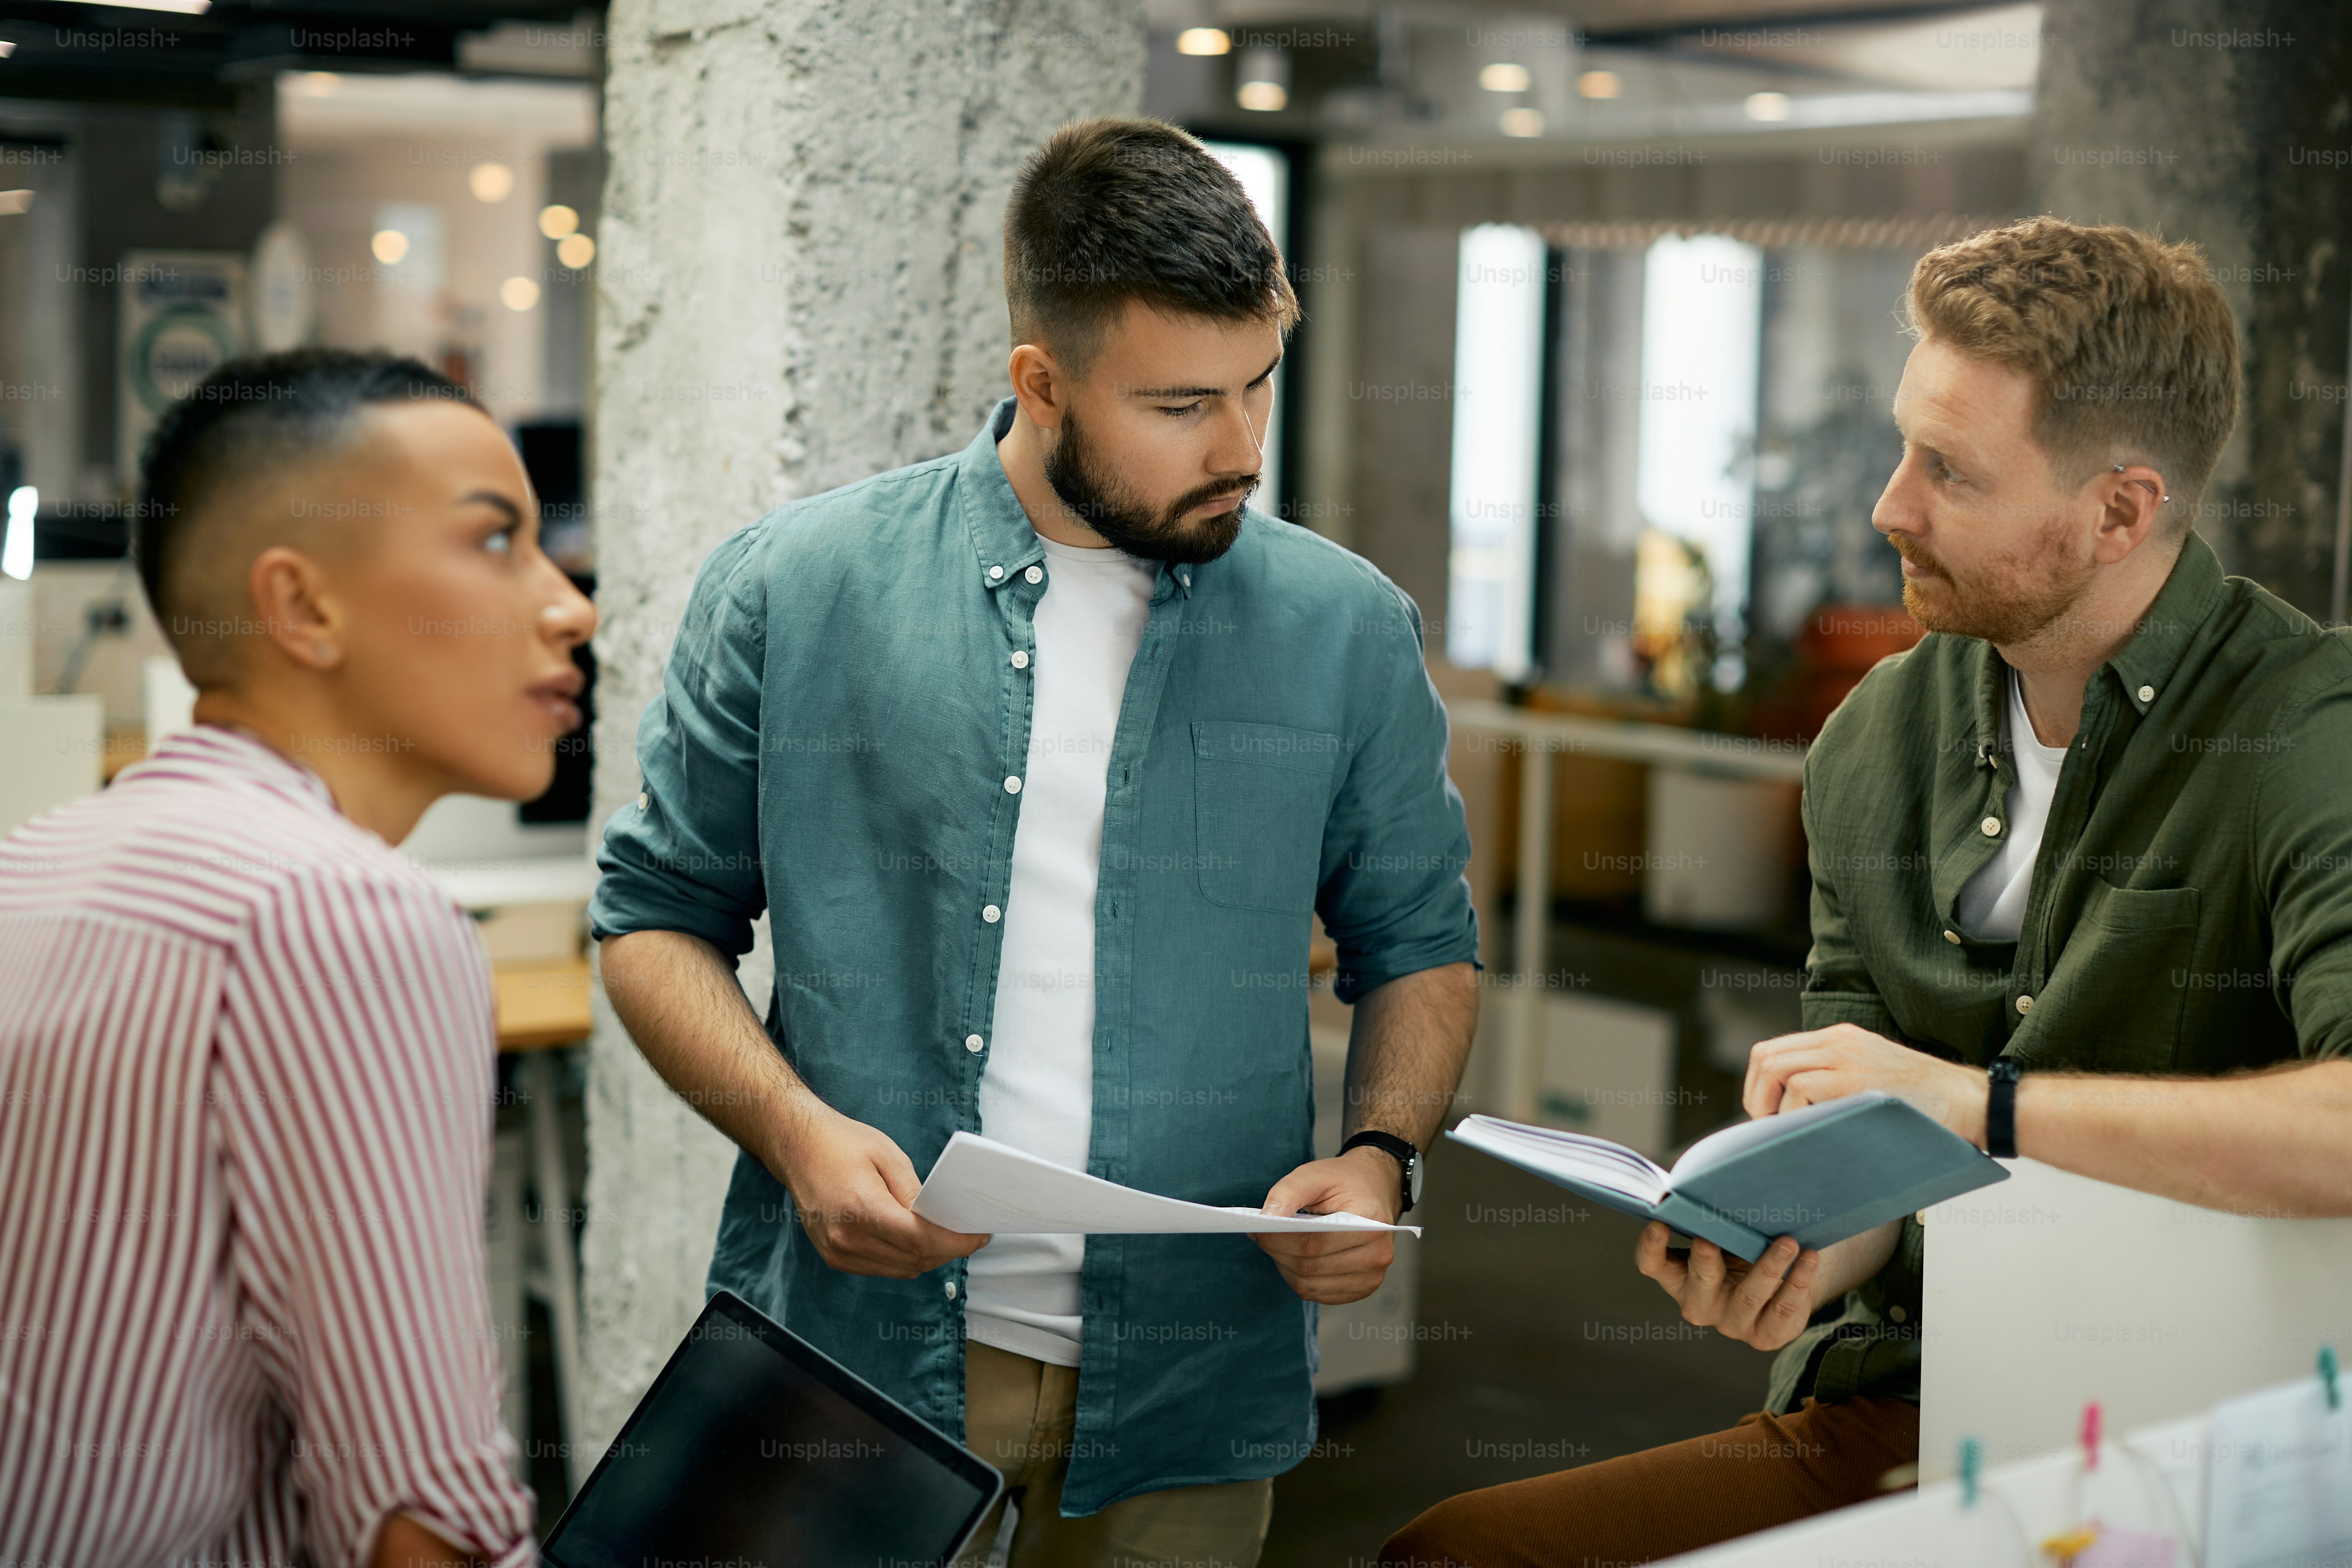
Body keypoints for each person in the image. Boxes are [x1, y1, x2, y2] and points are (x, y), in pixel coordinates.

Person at [1383, 217, 2352, 1567]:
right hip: (1918, 1404)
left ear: (2121, 509)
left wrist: (1986, 1106)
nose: (1889, 504)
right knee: (1454, 1554)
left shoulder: (2313, 733)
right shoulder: (1876, 736)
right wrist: (1793, 1248)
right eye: (1906, 446)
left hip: (2199, 1439)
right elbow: (1866, 1148)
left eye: (1950, 470)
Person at [590, 116, 1480, 1568]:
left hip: (1192, 1366)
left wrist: (1381, 1155)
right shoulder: (800, 588)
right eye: (1183, 405)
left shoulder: (1347, 630)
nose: (1244, 448)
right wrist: (797, 1134)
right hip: (857, 1353)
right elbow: (652, 924)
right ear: (1041, 382)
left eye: (1261, 385)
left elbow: (1423, 944)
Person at [0, 349, 594, 1568]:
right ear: (304, 606)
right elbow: (426, 1516)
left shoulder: (41, 856)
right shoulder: (343, 914)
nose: (570, 604)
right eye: (494, 542)